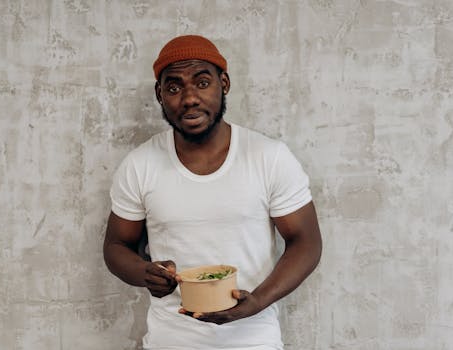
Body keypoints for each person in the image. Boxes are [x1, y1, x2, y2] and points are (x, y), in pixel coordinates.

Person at [103, 35, 322, 350]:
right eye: (174, 87)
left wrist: (256, 301)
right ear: (159, 94)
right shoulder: (140, 164)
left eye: (202, 83)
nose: (189, 98)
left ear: (224, 83)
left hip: (253, 341)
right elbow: (116, 245)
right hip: (171, 341)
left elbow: (307, 242)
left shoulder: (268, 157)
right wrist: (144, 272)